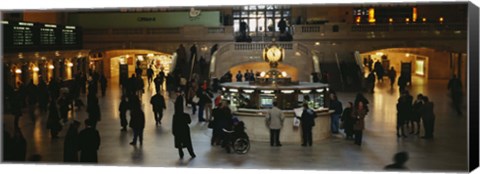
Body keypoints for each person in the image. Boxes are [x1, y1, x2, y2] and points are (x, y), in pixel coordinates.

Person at [172, 89, 196, 159]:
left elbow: (173, 125)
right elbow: (189, 122)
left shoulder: (175, 116)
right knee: (188, 142)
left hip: (177, 131)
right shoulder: (185, 115)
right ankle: (191, 153)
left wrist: (174, 132)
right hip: (185, 130)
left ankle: (181, 153)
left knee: (179, 142)